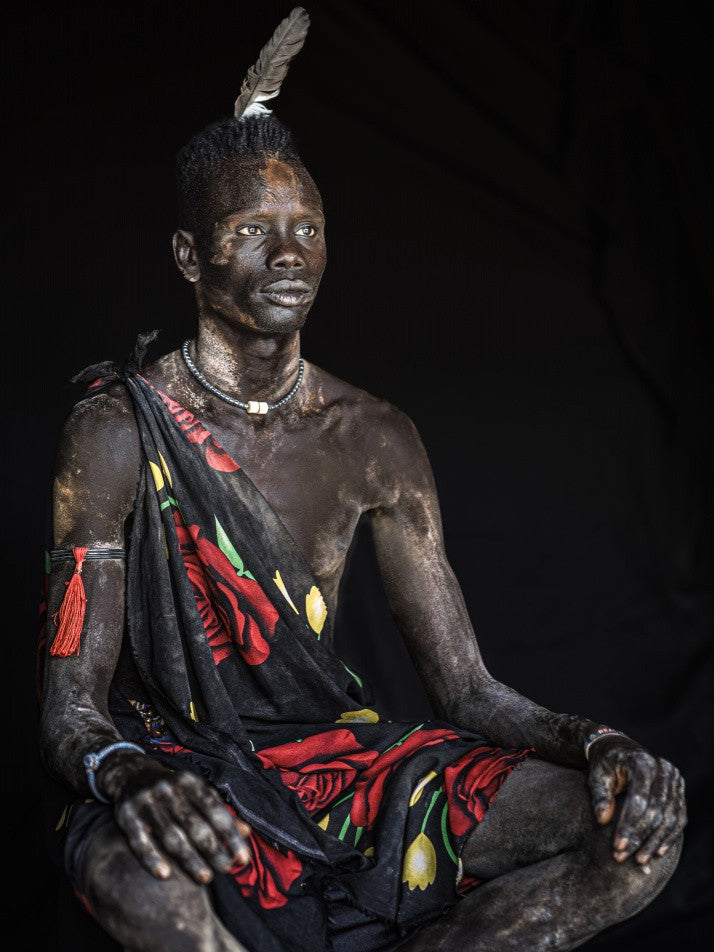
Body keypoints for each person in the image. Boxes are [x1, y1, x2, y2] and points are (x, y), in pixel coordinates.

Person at [38, 9, 686, 952]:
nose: (289, 252)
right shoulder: (114, 430)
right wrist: (135, 778)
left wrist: (602, 744)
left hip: (341, 768)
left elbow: (466, 690)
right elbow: (71, 712)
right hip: (174, 767)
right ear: (189, 256)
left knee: (629, 841)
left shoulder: (376, 438)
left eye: (307, 227)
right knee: (151, 898)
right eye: (253, 229)